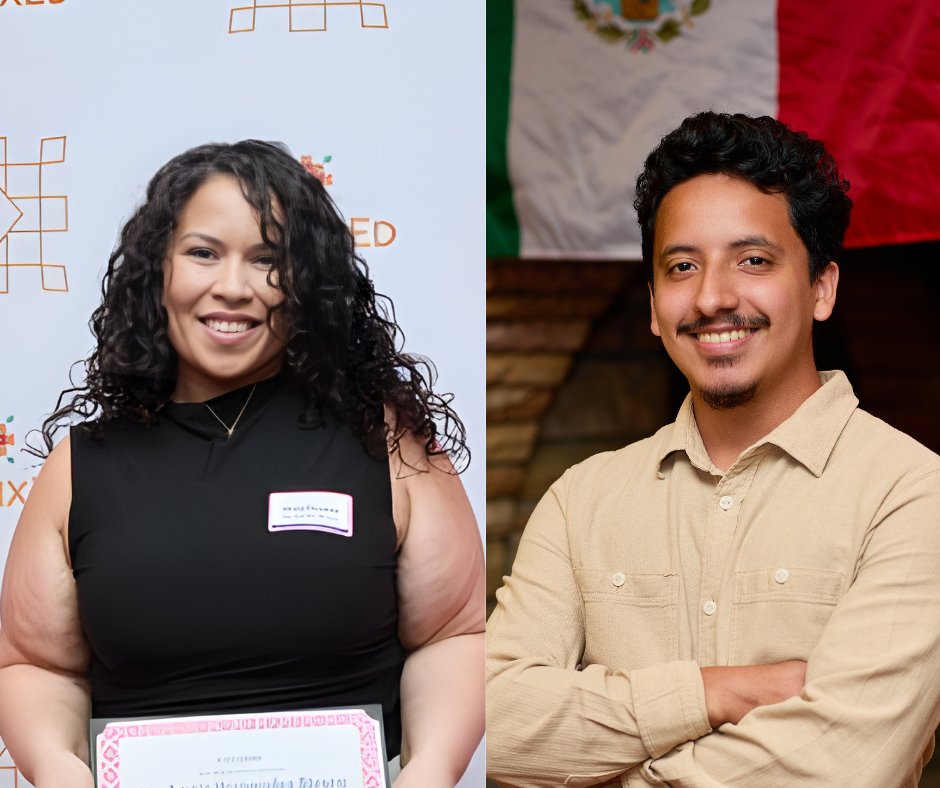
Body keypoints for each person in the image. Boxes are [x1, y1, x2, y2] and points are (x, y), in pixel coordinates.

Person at [0, 140, 484, 788]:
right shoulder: (81, 463)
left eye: (268, 260)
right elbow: (36, 664)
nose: (232, 288)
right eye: (203, 253)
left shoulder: (389, 442)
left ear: (308, 282)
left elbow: (454, 635)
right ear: (159, 271)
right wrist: (62, 775)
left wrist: (427, 775)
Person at [485, 112, 940, 788]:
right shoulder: (583, 498)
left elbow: (842, 767)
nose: (712, 297)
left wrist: (605, 767)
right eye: (682, 266)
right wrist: (715, 692)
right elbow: (489, 724)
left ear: (821, 288)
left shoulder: (910, 493)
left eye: (753, 260)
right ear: (652, 304)